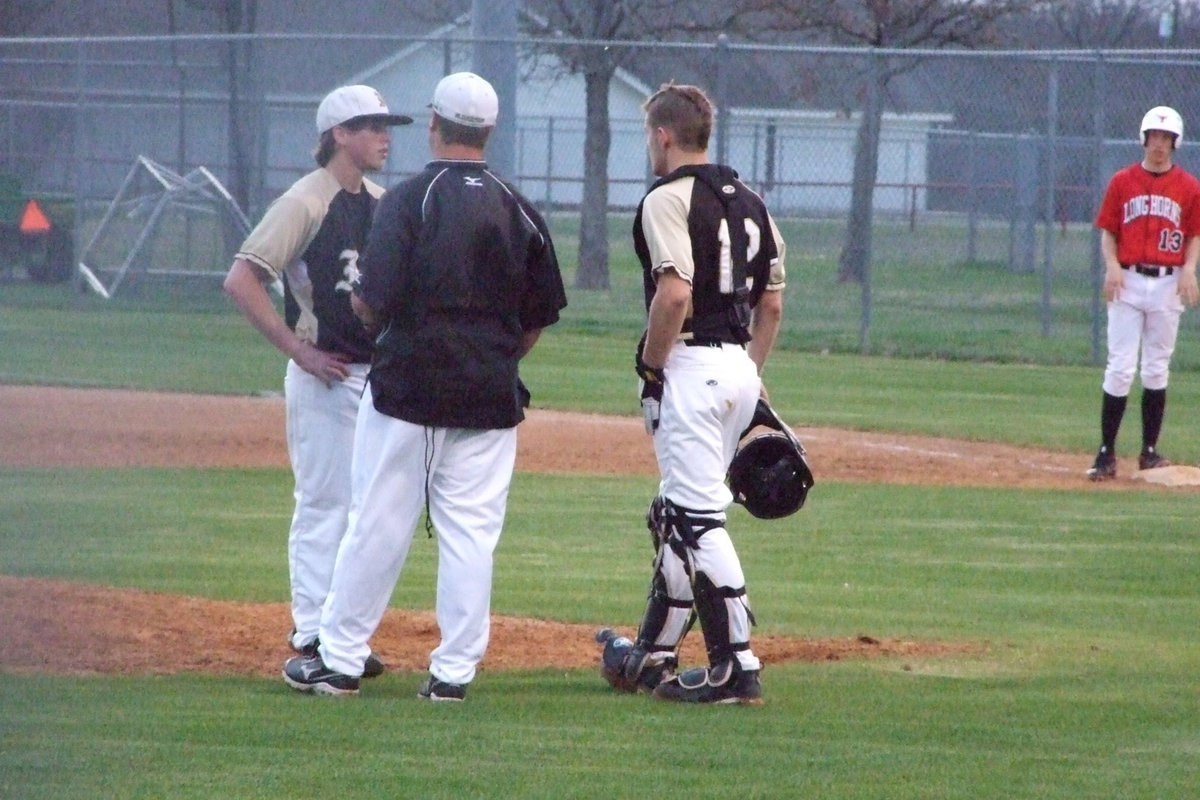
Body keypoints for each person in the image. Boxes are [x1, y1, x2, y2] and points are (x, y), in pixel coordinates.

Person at [282, 72, 567, 699]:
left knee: (377, 523)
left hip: (408, 387)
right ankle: (452, 676)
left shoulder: (407, 200)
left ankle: (340, 661)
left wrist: (366, 311)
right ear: (490, 130)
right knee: (471, 535)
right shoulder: (518, 204)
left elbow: (372, 304)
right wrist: (494, 354)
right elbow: (539, 315)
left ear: (435, 125)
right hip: (489, 395)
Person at [601, 82, 786, 705]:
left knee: (697, 520)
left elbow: (674, 294)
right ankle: (653, 655)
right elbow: (773, 305)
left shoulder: (666, 200)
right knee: (674, 513)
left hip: (692, 365)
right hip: (738, 363)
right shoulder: (754, 201)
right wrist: (750, 376)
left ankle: (736, 664)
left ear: (664, 135)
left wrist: (651, 368)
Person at [224, 85, 413, 673]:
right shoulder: (306, 200)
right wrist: (297, 352)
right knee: (325, 504)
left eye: (387, 125)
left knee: (368, 510)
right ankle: (311, 631)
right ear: (339, 134)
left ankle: (341, 634)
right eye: (372, 125)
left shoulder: (383, 202)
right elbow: (242, 279)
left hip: (375, 378)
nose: (385, 136)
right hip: (325, 375)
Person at [1087, 105, 1200, 481]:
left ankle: (1149, 451)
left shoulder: (1188, 187)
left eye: (1167, 138)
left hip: (1168, 282)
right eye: (1154, 136)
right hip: (1129, 279)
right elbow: (1109, 230)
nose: (1159, 145)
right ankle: (1106, 452)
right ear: (1144, 138)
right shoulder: (1123, 181)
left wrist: (1189, 270)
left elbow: (1193, 234)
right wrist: (1112, 266)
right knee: (1120, 367)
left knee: (1156, 367)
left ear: (1175, 143)